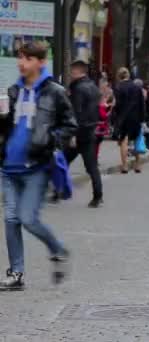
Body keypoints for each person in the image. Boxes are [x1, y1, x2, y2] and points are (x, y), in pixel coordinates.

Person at [0, 42, 77, 290]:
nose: (22, 63)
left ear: (41, 62)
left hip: (36, 167)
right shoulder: (13, 91)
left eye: (28, 58)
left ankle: (58, 250)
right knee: (11, 219)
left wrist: (51, 141)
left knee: (27, 218)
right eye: (20, 58)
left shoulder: (54, 91)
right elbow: (7, 128)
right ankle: (16, 273)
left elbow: (69, 125)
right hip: (9, 167)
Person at [65, 60, 104, 208]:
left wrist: (73, 134)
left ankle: (59, 190)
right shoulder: (93, 86)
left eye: (72, 71)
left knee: (62, 160)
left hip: (80, 132)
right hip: (89, 131)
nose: (70, 73)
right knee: (92, 167)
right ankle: (98, 196)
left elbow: (76, 113)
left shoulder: (78, 89)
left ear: (77, 71)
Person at [114, 67, 145, 173]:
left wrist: (116, 119)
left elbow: (117, 105)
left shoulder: (118, 88)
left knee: (124, 141)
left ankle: (125, 165)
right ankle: (137, 164)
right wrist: (143, 118)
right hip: (136, 117)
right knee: (136, 140)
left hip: (123, 118)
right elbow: (142, 104)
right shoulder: (136, 87)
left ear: (119, 76)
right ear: (128, 75)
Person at [96, 78, 114, 158]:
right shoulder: (97, 92)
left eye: (106, 85)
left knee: (99, 137)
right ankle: (95, 154)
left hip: (104, 112)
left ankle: (96, 153)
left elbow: (113, 101)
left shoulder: (110, 91)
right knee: (97, 137)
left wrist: (108, 105)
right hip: (99, 114)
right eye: (103, 85)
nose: (105, 87)